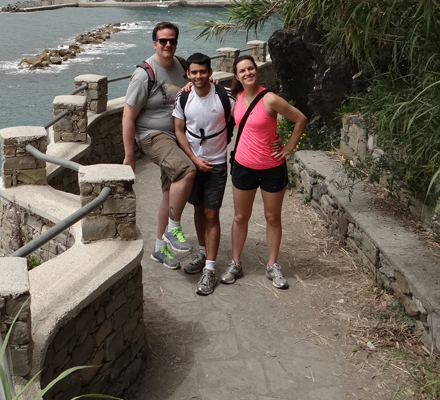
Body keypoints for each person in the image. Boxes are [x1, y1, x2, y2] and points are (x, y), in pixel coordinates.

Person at [222, 55, 307, 290]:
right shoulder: (235, 96)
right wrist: (188, 83)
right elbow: (207, 88)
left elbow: (300, 118)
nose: (247, 73)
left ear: (255, 71)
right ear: (236, 75)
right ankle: (235, 263)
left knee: (272, 218)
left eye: (251, 69)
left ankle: (272, 265)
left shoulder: (269, 99)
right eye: (243, 71)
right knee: (240, 217)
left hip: (271, 167)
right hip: (243, 165)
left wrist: (288, 147)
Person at [123, 22, 196, 270]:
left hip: (176, 135)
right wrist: (129, 155)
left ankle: (159, 248)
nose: (168, 45)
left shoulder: (182, 65)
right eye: (163, 41)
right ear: (154, 43)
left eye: (172, 41)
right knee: (186, 170)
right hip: (152, 136)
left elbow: (195, 86)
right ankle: (173, 230)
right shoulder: (144, 74)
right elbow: (127, 116)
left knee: (170, 193)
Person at [172, 53, 234, 296]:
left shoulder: (223, 96)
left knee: (211, 214)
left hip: (217, 164)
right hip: (192, 164)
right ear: (188, 74)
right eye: (193, 72)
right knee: (198, 209)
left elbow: (242, 116)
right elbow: (178, 130)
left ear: (211, 72)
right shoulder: (183, 96)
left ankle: (210, 269)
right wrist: (194, 159)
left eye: (202, 72)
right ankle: (202, 252)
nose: (198, 76)